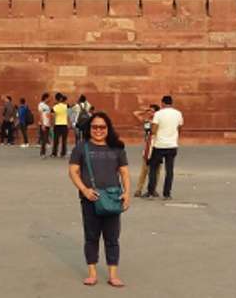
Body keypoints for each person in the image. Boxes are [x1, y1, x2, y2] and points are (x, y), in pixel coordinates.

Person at [67, 111, 130, 288]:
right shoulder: (82, 147)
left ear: (108, 128)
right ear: (89, 129)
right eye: (94, 127)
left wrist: (127, 193)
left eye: (102, 127)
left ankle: (113, 274)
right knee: (91, 236)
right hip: (90, 199)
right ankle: (92, 273)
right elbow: (73, 171)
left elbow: (124, 172)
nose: (98, 130)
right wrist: (85, 190)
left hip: (112, 197)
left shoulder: (117, 148)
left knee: (112, 237)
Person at [144, 95, 183, 199]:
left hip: (159, 145)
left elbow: (154, 131)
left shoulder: (158, 114)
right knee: (169, 170)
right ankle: (167, 193)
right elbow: (179, 128)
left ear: (162, 103)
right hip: (172, 144)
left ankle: (151, 191)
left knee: (153, 168)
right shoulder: (178, 113)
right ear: (171, 103)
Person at [131, 104, 158, 196]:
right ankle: (139, 189)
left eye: (152, 111)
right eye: (150, 111)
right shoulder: (147, 121)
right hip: (147, 146)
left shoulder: (159, 121)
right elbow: (135, 114)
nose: (150, 113)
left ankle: (153, 189)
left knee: (156, 170)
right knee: (144, 170)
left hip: (157, 146)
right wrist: (145, 111)